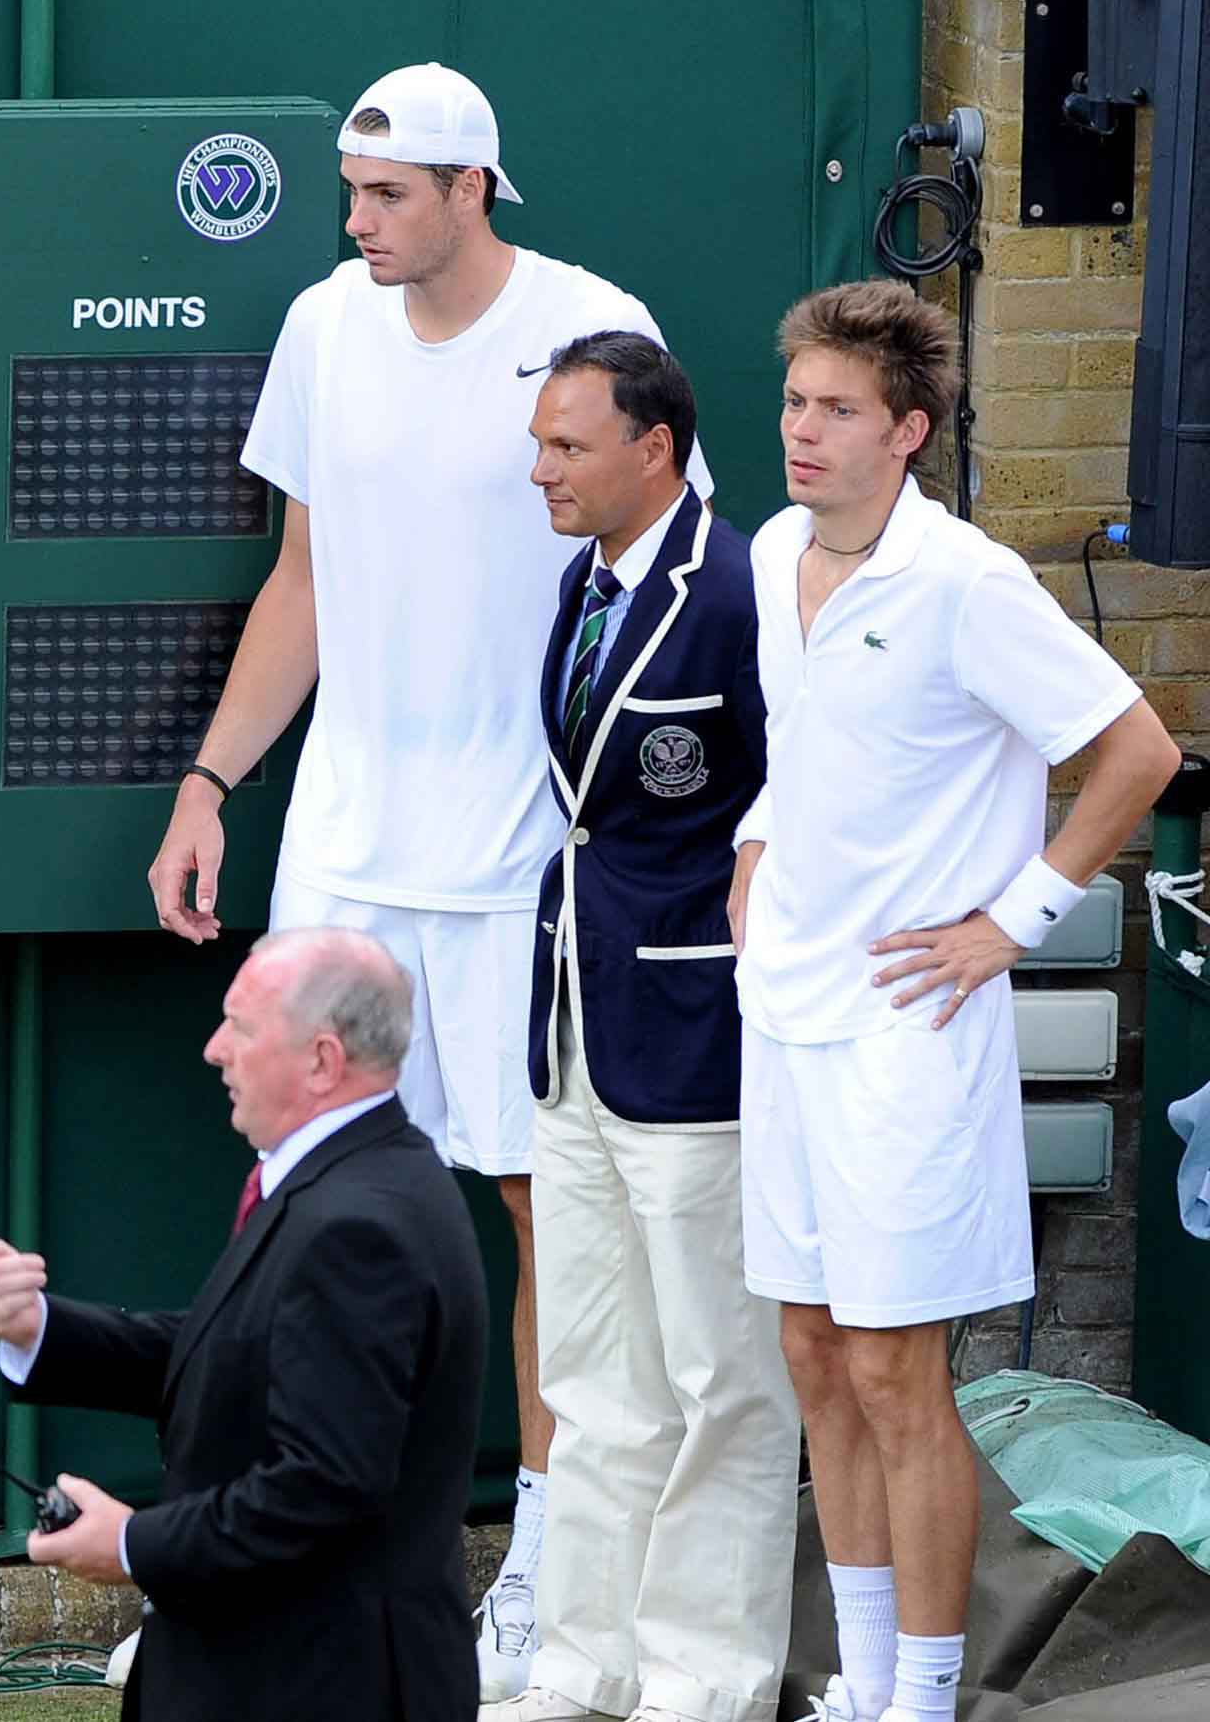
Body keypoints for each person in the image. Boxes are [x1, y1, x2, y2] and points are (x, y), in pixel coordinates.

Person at [142, 62, 712, 1701]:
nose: (356, 219)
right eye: (349, 189)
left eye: (388, 193)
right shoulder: (324, 325)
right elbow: (302, 578)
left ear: (475, 188)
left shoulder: (593, 328)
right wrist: (210, 781)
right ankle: (247, 1567)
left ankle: (540, 1561)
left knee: (547, 1212)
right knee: (289, 1208)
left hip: (530, 853)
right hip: (344, 845)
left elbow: (655, 591)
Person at [731, 281, 1180, 1722]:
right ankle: (865, 1687)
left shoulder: (971, 581)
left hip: (909, 1031)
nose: (804, 430)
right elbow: (794, 750)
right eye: (796, 401)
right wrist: (751, 851)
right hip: (787, 1011)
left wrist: (1011, 922)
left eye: (838, 409)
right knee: (812, 1349)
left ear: (907, 430)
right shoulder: (770, 552)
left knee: (891, 1364)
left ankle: (924, 1702)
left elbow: (1138, 749)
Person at [492, 331, 799, 1722]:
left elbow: (788, 799)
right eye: (540, 440)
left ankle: (706, 1678)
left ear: (654, 447)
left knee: (719, 1377)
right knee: (593, 1370)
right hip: (574, 1027)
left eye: (568, 444)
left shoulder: (738, 590)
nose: (540, 467)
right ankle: (584, 1662)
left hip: (696, 1037)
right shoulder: (583, 580)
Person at [0, 928, 487, 1722]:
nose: (213, 1049)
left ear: (321, 1060)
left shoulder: (358, 1224)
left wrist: (136, 1544)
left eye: (240, 1026)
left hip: (319, 1686)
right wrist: (38, 1327)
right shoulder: (355, 1180)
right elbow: (235, 1349)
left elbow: (322, 1485)